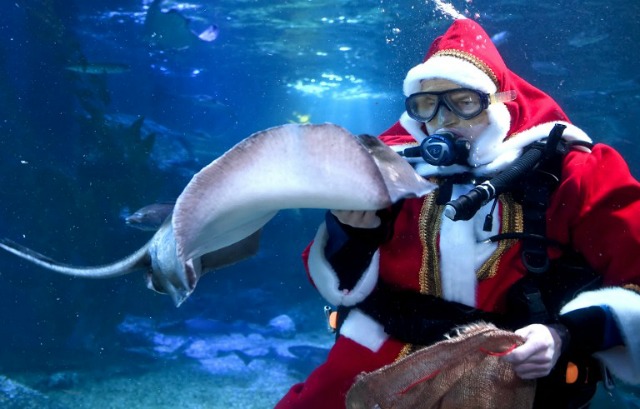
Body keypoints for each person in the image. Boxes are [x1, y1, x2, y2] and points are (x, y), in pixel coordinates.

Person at [275, 18, 640, 409]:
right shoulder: (389, 170)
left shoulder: (574, 173)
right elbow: (338, 281)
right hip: (376, 352)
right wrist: (350, 233)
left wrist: (567, 334)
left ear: (500, 101)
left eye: (464, 102)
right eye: (427, 104)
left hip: (514, 368)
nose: (445, 120)